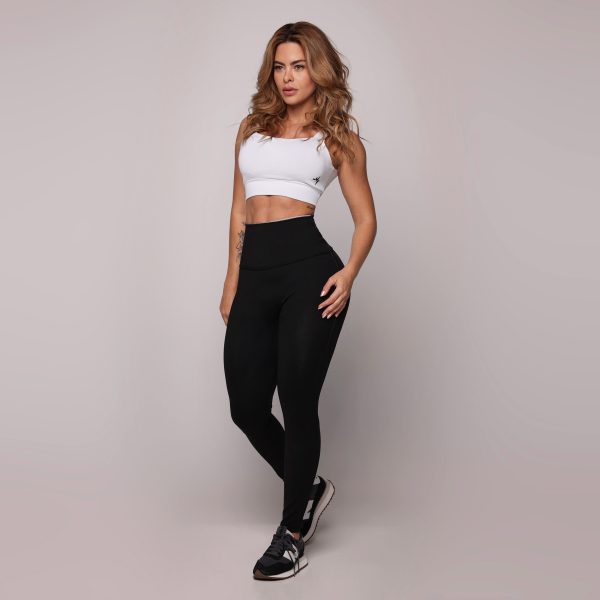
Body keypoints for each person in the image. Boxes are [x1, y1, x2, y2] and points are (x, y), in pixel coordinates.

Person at [221, 21, 377, 580]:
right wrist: (232, 280)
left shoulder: (337, 138)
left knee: (297, 398)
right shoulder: (252, 128)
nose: (288, 77)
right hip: (256, 274)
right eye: (280, 66)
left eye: (300, 66)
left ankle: (290, 535)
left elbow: (366, 219)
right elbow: (238, 209)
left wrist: (349, 274)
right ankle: (309, 487)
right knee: (245, 406)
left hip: (309, 275)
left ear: (318, 71)